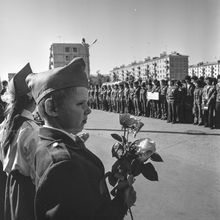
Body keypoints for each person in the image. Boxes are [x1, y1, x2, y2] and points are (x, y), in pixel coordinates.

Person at [26, 57, 136, 220]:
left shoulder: (45, 141)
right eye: (80, 104)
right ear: (52, 107)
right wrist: (121, 202)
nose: (88, 110)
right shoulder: (64, 164)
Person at [0, 63, 39, 220]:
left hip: (10, 184)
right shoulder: (29, 129)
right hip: (27, 190)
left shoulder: (6, 124)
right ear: (32, 97)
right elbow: (37, 173)